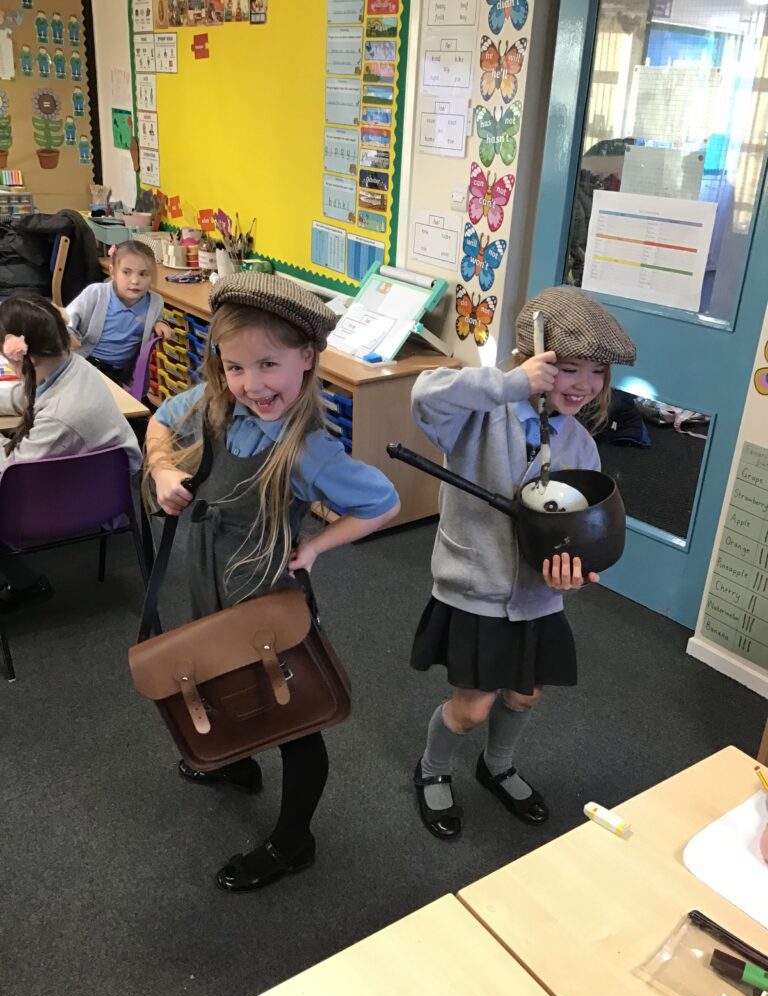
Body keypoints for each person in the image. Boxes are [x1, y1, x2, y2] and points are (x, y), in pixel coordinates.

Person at [144, 272, 400, 892]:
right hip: (210, 579)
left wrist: (314, 546)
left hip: (262, 598)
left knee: (294, 716)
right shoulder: (214, 404)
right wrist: (161, 472)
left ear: (306, 358)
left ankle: (293, 842)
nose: (252, 384)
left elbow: (384, 502)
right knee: (217, 680)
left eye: (268, 364)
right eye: (235, 367)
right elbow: (160, 422)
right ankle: (235, 765)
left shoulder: (307, 449)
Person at [409, 286, 637, 839]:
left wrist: (574, 574)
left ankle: (498, 765)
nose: (584, 384)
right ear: (532, 361)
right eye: (569, 368)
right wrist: (512, 384)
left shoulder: (580, 445)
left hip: (538, 597)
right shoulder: (478, 417)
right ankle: (432, 766)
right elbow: (425, 394)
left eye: (598, 372)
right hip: (477, 589)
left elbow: (576, 533)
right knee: (472, 709)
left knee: (524, 693)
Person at [0, 294, 142, 608]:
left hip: (80, 500)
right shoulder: (69, 365)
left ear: (27, 359)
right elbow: (29, 395)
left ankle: (26, 585)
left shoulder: (61, 416)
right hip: (102, 483)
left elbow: (10, 472)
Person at [65, 239, 172, 385]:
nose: (135, 281)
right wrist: (68, 336)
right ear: (113, 272)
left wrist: (160, 323)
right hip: (85, 363)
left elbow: (155, 318)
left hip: (121, 374)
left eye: (143, 274)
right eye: (126, 272)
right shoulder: (96, 293)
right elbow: (65, 321)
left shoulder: (155, 302)